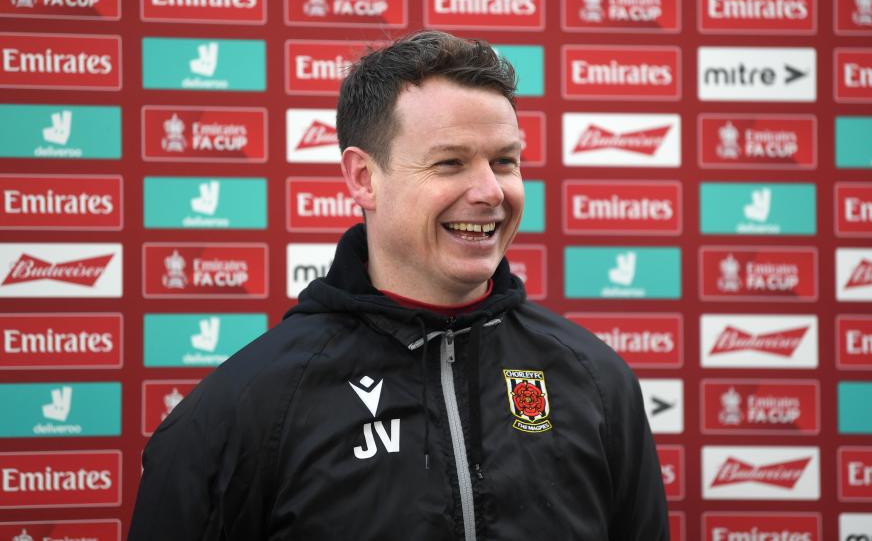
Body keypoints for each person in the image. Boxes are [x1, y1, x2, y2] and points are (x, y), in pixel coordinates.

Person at [128, 30, 668, 540]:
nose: (489, 191)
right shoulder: (246, 409)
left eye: (504, 162)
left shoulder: (596, 380)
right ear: (364, 178)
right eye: (450, 163)